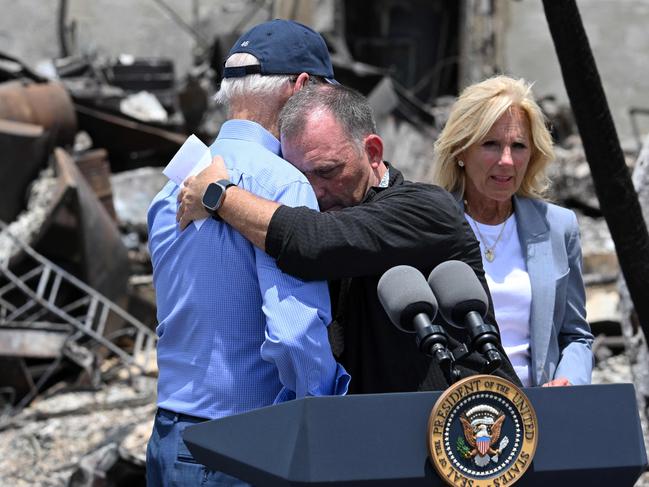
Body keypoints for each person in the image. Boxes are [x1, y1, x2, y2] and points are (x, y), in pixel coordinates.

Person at [177, 83, 523, 393]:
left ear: (372, 152)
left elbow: (314, 242)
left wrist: (221, 195)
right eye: (300, 176)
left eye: (328, 171)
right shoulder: (335, 210)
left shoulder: (426, 210)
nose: (315, 191)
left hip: (475, 432)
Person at [146, 19, 349, 486]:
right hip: (245, 447)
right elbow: (294, 335)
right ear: (301, 88)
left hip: (169, 436)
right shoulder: (283, 183)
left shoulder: (170, 188)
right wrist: (328, 407)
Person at [430, 75, 593, 387]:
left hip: (539, 416)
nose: (506, 161)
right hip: (453, 416)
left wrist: (569, 380)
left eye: (518, 146)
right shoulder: (430, 226)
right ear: (461, 151)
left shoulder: (558, 227)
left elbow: (575, 334)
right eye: (490, 144)